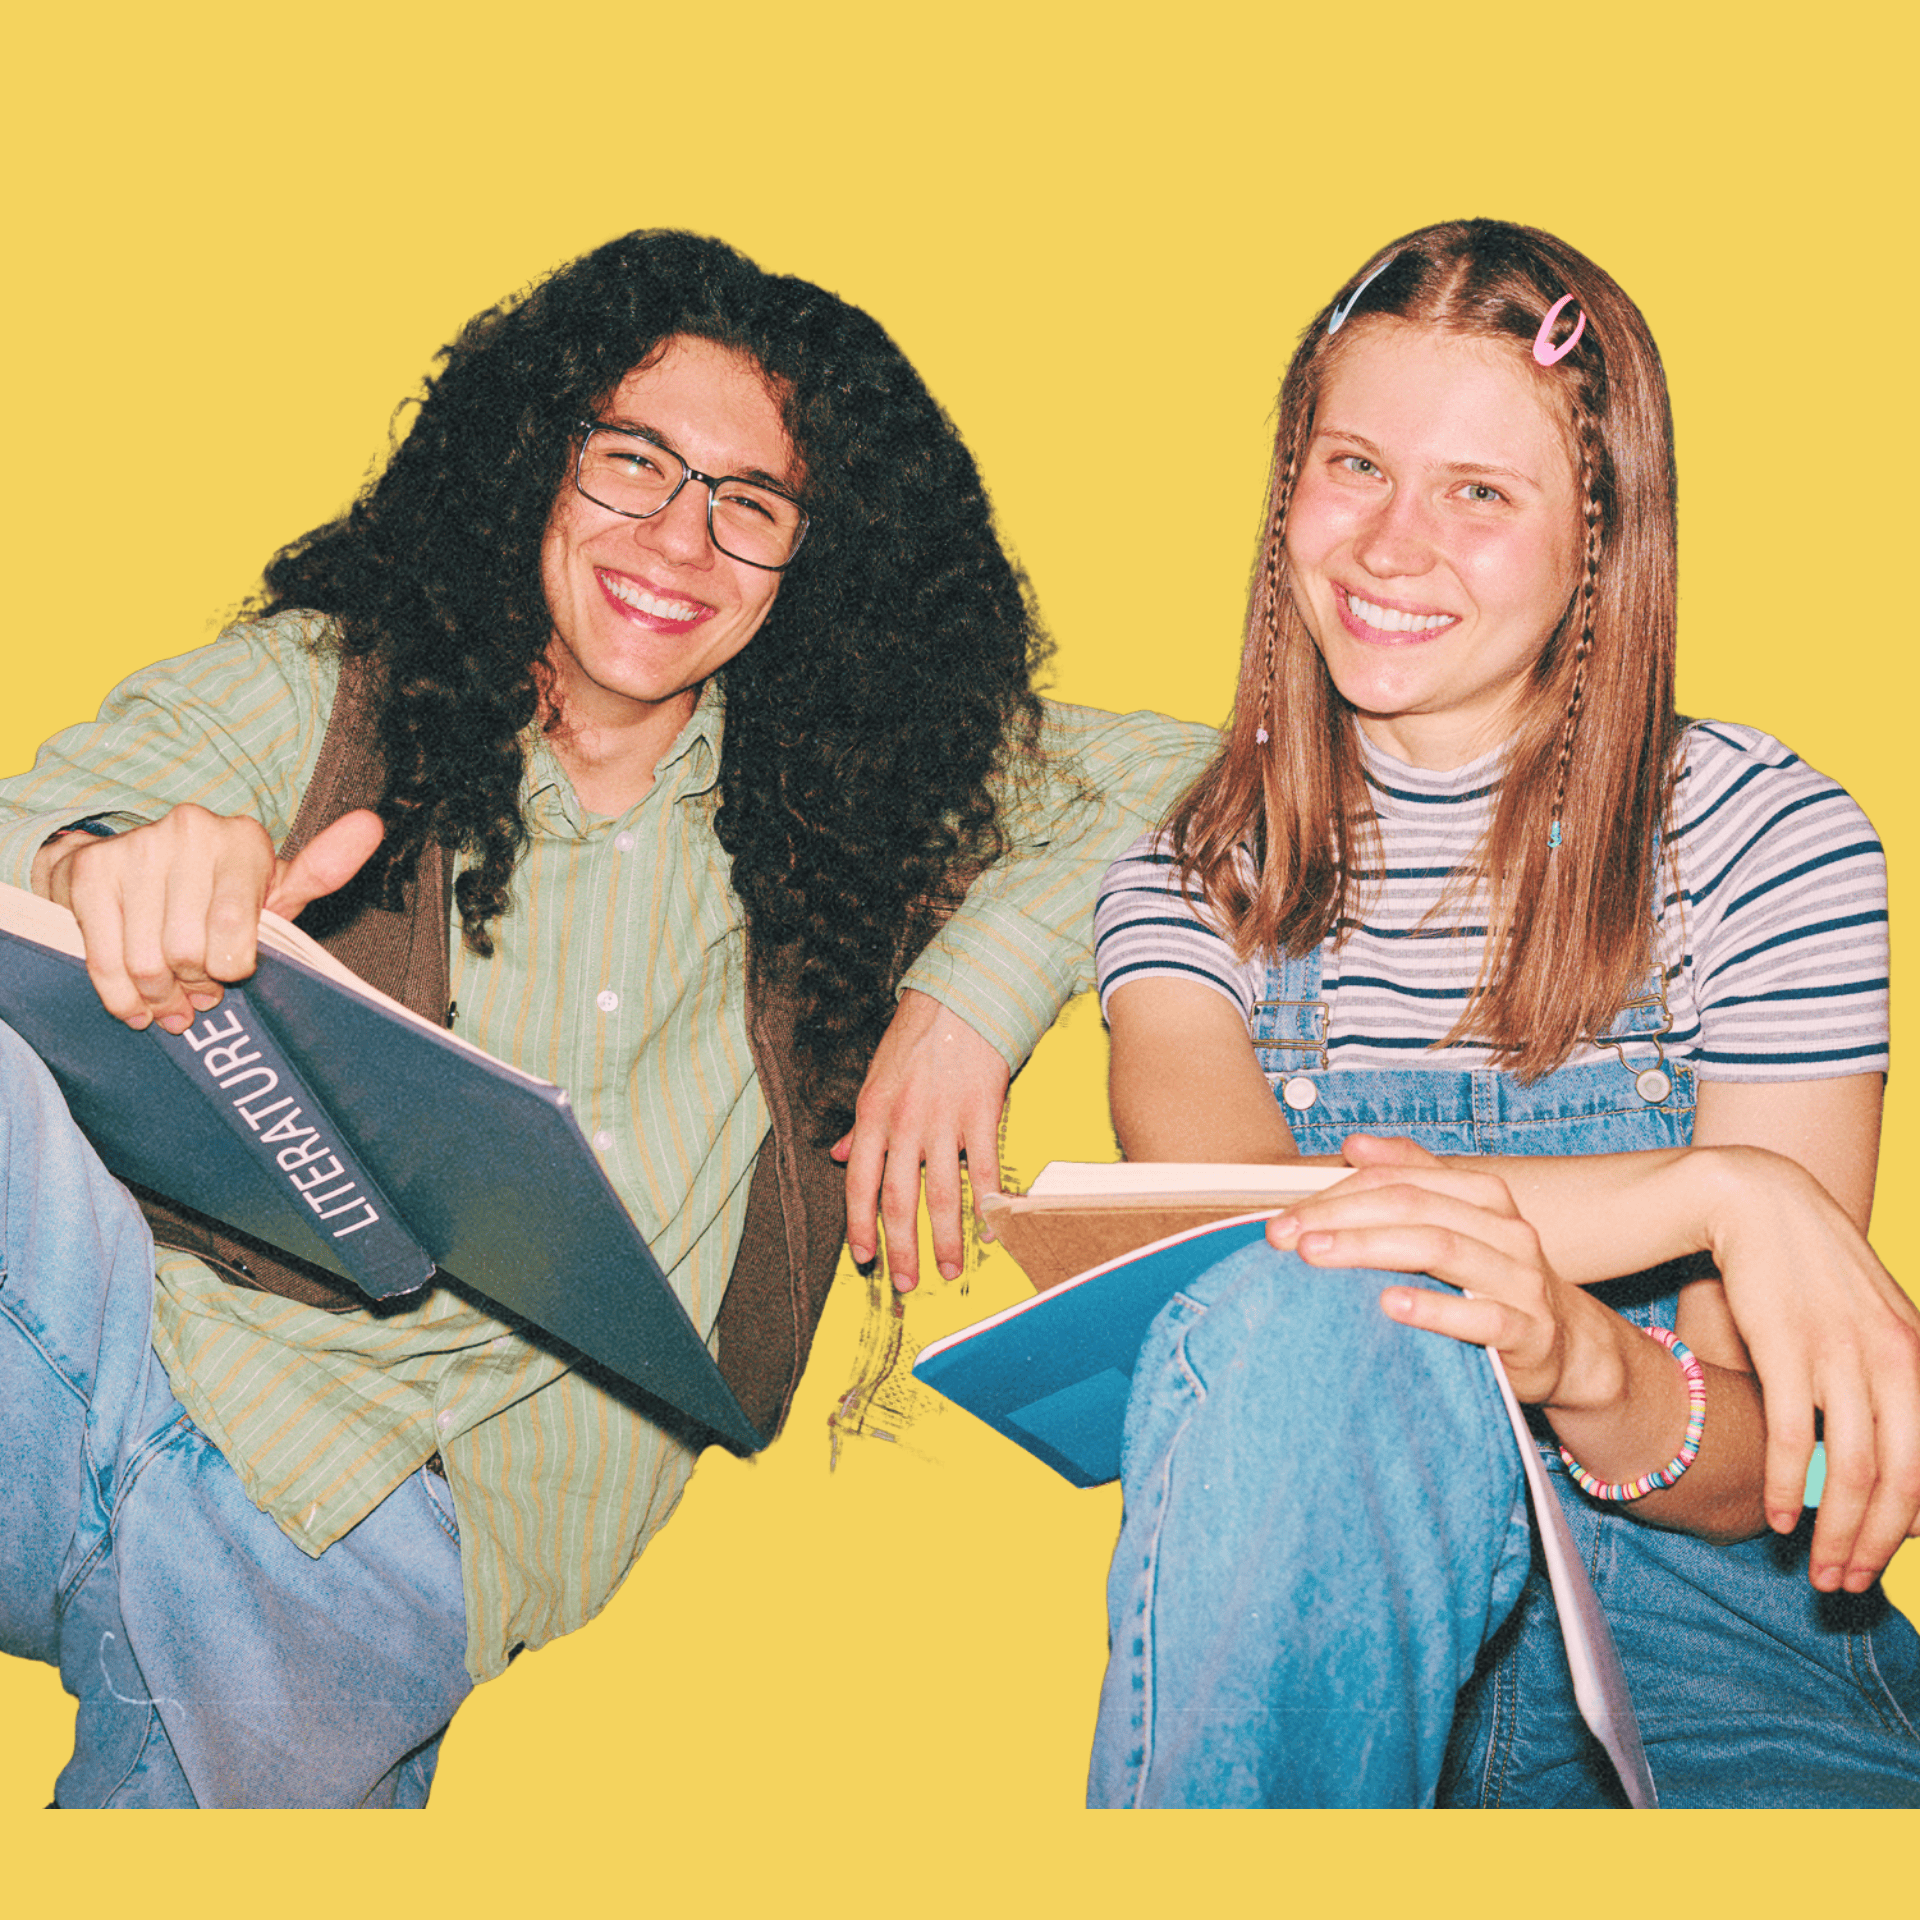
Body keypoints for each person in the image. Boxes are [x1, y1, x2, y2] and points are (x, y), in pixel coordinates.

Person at [0, 229, 1212, 1807]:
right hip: (98, 1364)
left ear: (810, 563)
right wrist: (104, 864)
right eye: (635, 461)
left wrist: (965, 997)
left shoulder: (853, 807)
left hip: (389, 1556)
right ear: (535, 463)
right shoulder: (331, 690)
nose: (680, 540)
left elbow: (1226, 776)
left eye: (750, 503)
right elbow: (47, 815)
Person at [1088, 218, 1920, 1807]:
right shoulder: (1195, 883)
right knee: (1309, 1306)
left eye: (1480, 493)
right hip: (1321, 1678)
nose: (1393, 545)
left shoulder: (1767, 841)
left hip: (1722, 1660)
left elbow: (1774, 1458)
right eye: (1353, 466)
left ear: (1598, 540)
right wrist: (1715, 1191)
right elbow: (1264, 1235)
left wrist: (1588, 1362)